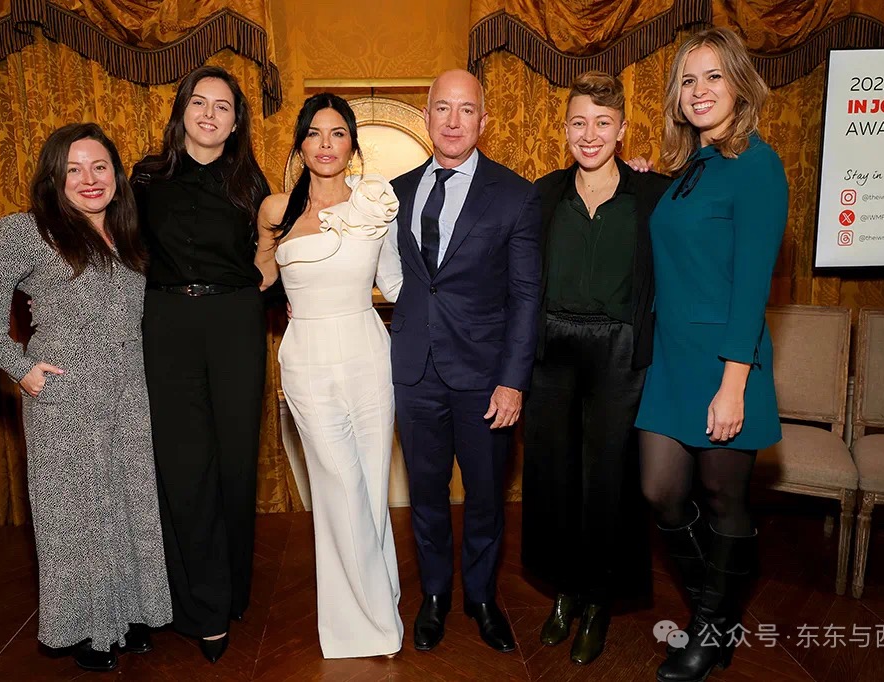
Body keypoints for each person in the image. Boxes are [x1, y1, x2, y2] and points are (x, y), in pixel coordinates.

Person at [0, 122, 172, 673]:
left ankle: (129, 616)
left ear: (116, 175)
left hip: (128, 393)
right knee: (77, 518)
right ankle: (87, 631)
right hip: (66, 397)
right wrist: (18, 366)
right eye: (72, 169)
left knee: (128, 507)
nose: (88, 179)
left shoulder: (127, 233)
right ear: (53, 179)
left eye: (99, 167)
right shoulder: (28, 231)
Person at [634, 27, 788, 682]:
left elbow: (752, 285)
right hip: (672, 359)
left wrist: (733, 384)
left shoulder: (758, 165)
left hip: (726, 361)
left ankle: (708, 631)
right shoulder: (689, 171)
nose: (699, 91)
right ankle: (717, 618)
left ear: (740, 85)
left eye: (714, 76)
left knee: (725, 500)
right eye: (688, 80)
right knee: (660, 490)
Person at [385, 69, 541, 654]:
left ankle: (480, 596)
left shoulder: (515, 195)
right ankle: (434, 596)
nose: (453, 121)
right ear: (426, 116)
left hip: (485, 379)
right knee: (425, 495)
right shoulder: (395, 192)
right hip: (415, 372)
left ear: (484, 120)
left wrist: (512, 382)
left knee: (485, 496)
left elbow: (526, 296)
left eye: (466, 110)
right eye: (443, 109)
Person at [521, 70, 671, 666]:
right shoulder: (542, 196)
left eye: (603, 123)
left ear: (622, 129)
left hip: (619, 353)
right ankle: (565, 592)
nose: (590, 134)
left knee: (608, 482)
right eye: (579, 123)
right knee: (554, 477)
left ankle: (599, 600)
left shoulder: (650, 195)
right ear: (564, 130)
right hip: (553, 351)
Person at [254, 93, 404, 659]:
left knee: (370, 485)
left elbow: (397, 283)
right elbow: (260, 275)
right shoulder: (276, 210)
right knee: (339, 488)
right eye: (314, 133)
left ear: (352, 145)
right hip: (307, 362)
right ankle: (364, 624)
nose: (325, 144)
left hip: (369, 356)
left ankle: (379, 601)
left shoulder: (374, 204)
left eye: (338, 133)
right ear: (299, 145)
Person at [131, 65, 270, 663]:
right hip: (165, 324)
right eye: (199, 102)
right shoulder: (145, 178)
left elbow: (271, 257)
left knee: (235, 462)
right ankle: (201, 606)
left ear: (236, 122)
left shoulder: (251, 184)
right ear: (182, 110)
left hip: (235, 322)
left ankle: (231, 590)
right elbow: (117, 250)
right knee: (184, 465)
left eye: (222, 106)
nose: (210, 114)